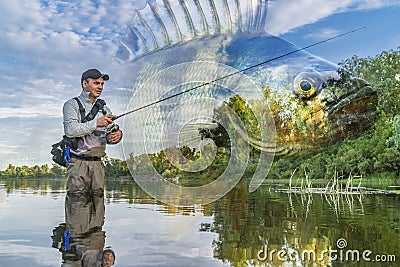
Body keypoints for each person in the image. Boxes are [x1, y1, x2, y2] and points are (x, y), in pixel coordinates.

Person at [63, 68, 123, 197]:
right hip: (78, 164)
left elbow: (109, 135)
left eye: (102, 84)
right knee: (77, 208)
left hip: (98, 165)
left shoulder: (105, 109)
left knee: (98, 209)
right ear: (85, 84)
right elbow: (70, 130)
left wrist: (117, 135)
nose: (100, 87)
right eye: (96, 83)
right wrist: (97, 122)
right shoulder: (71, 105)